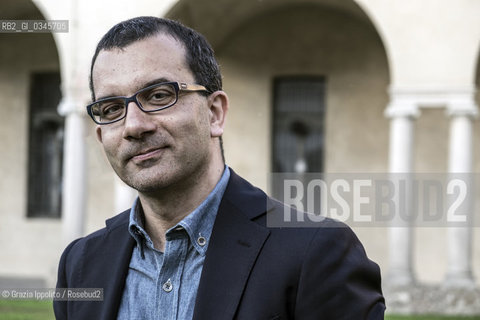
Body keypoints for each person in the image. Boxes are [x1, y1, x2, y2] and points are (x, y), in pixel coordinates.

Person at [54, 16, 385, 319]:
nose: (133, 126)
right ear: (101, 135)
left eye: (157, 95)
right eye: (112, 108)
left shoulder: (315, 252)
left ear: (214, 113)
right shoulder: (81, 264)